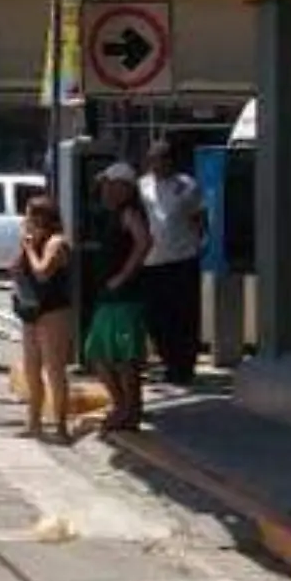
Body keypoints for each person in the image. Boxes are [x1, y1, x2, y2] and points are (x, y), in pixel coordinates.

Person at [84, 162, 154, 434]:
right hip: (107, 294)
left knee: (126, 356)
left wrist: (124, 275)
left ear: (125, 187)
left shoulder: (130, 213)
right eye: (105, 185)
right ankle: (121, 404)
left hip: (125, 294)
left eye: (111, 185)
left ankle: (129, 410)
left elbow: (145, 242)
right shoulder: (108, 214)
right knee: (99, 352)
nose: (106, 190)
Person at [138, 141, 205, 384]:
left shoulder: (186, 186)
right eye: (154, 160)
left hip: (182, 259)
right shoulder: (142, 187)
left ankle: (184, 365)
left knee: (184, 315)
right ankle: (167, 359)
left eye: (163, 160)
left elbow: (198, 218)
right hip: (152, 261)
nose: (159, 165)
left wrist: (199, 244)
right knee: (157, 317)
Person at [12, 195, 74, 444]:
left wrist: (29, 248)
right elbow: (16, 269)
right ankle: (34, 421)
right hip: (31, 310)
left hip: (53, 311)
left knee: (54, 368)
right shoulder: (31, 242)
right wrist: (24, 246)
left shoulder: (56, 242)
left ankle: (61, 425)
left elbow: (42, 273)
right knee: (31, 367)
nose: (26, 221)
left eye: (29, 216)